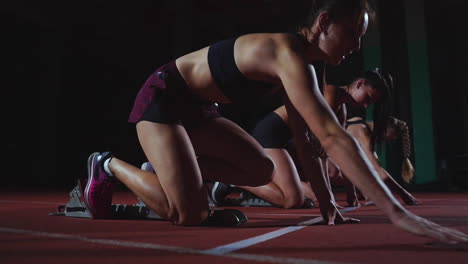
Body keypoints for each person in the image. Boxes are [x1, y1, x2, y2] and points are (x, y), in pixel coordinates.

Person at [84, 0, 467, 244]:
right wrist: (398, 214)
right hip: (164, 99)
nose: (356, 44)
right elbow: (332, 136)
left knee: (260, 167)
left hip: (199, 111)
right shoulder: (287, 54)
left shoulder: (305, 67)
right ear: (324, 21)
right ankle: (106, 163)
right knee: (188, 216)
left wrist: (328, 205)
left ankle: (176, 174)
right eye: (352, 32)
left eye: (361, 37)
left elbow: (305, 138)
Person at [210, 68, 393, 209]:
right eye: (367, 98)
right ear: (359, 84)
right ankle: (233, 178)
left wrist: (351, 194)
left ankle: (263, 180)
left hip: (292, 142)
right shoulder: (330, 92)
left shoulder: (342, 109)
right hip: (272, 133)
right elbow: (320, 147)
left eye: (371, 103)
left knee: (314, 195)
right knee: (292, 200)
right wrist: (328, 196)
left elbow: (338, 150)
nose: (366, 105)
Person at [328, 115, 421, 207]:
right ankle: (314, 192)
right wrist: (402, 193)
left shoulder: (364, 127)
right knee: (336, 171)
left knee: (363, 180)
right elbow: (377, 169)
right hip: (322, 159)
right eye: (391, 136)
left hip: (333, 157)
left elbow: (375, 166)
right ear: (385, 129)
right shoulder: (362, 131)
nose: (389, 140)